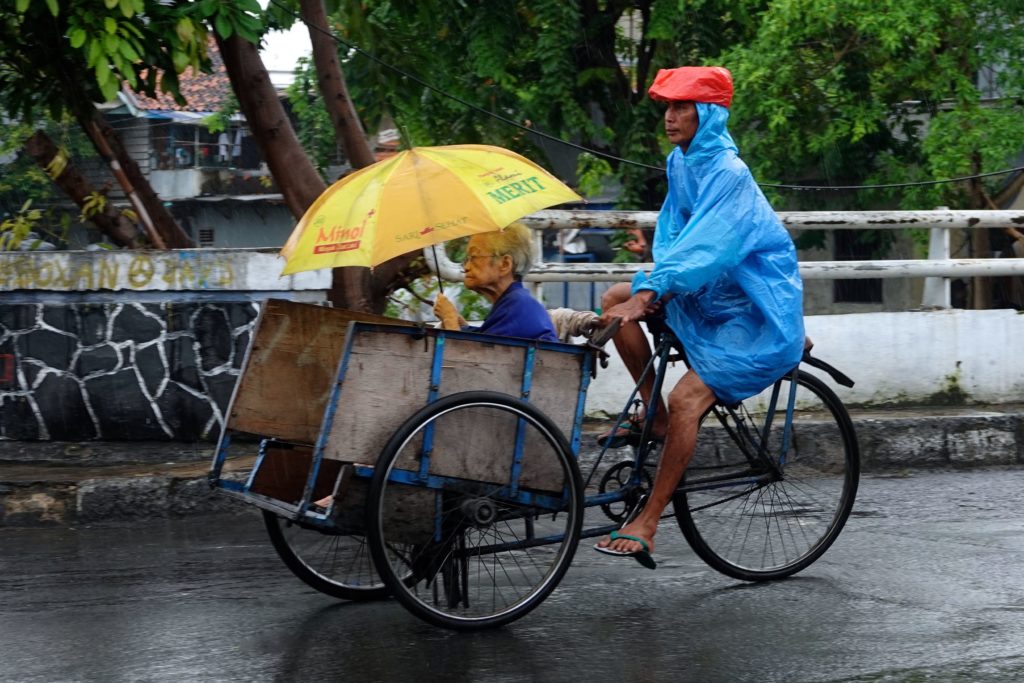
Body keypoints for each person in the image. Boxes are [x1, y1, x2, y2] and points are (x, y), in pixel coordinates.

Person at [594, 66, 805, 569]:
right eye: (667, 107)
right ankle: (657, 417)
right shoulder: (680, 162)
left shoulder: (730, 173)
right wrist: (649, 288)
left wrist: (656, 290)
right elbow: (673, 235)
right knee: (613, 300)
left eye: (682, 107)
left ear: (707, 113)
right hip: (712, 294)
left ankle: (648, 520)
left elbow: (711, 247)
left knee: (687, 398)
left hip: (754, 312)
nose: (670, 117)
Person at [434, 222, 560, 342]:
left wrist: (449, 319)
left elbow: (469, 359)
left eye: (474, 257)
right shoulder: (513, 302)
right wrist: (459, 323)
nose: (466, 267)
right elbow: (486, 342)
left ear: (505, 264)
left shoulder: (517, 307)